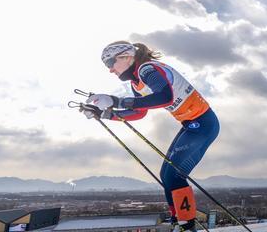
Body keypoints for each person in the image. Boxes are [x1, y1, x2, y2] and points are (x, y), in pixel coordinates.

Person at [80, 41, 219, 232]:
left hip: (203, 123)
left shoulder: (147, 69)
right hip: (192, 124)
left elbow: (165, 97)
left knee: (173, 175)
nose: (111, 70)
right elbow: (140, 113)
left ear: (126, 56)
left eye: (110, 63)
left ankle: (187, 225)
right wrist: (105, 114)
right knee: (166, 175)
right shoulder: (137, 82)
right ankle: (178, 220)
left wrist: (116, 100)